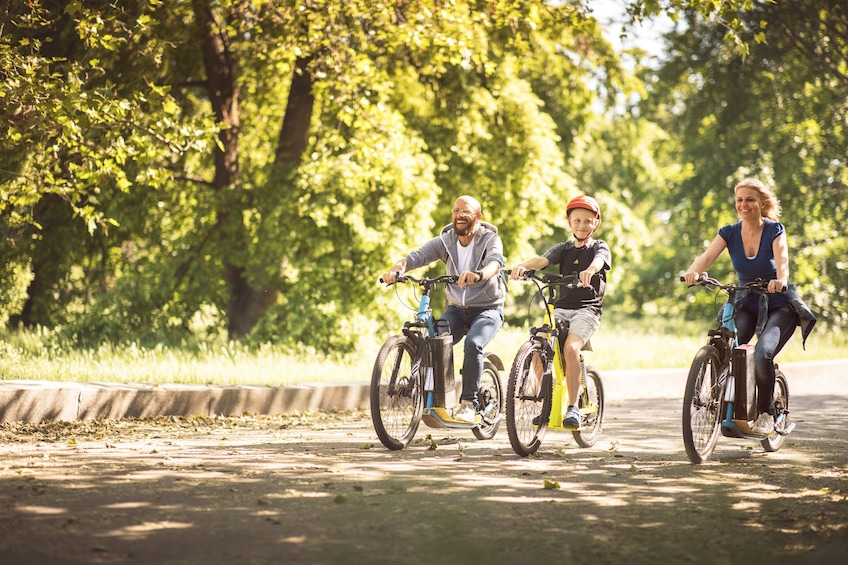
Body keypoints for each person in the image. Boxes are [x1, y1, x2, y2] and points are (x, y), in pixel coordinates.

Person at [682, 178, 815, 435]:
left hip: (778, 305)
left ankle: (767, 412)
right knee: (724, 345)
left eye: (750, 199)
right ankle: (717, 401)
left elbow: (783, 261)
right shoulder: (729, 233)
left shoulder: (775, 230)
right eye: (739, 200)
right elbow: (707, 257)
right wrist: (693, 272)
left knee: (763, 353)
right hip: (747, 302)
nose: (744, 204)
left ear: (762, 203)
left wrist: (781, 280)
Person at [381, 195, 506, 424]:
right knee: (435, 342)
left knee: (473, 344)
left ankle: (469, 403)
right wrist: (396, 270)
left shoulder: (490, 239)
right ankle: (438, 399)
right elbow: (417, 256)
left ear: (477, 217)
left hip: (487, 308)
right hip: (457, 308)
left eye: (465, 211)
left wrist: (478, 274)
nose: (459, 215)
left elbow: (495, 264)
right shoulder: (445, 241)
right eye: (456, 210)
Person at [509, 195, 611, 430]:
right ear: (569, 223)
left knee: (570, 349)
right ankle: (550, 402)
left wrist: (589, 271)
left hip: (587, 310)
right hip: (561, 308)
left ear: (595, 223)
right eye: (577, 220)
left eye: (588, 221)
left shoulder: (599, 247)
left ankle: (573, 407)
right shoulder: (563, 248)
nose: (582, 225)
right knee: (537, 347)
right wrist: (523, 265)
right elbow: (542, 260)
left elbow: (598, 262)